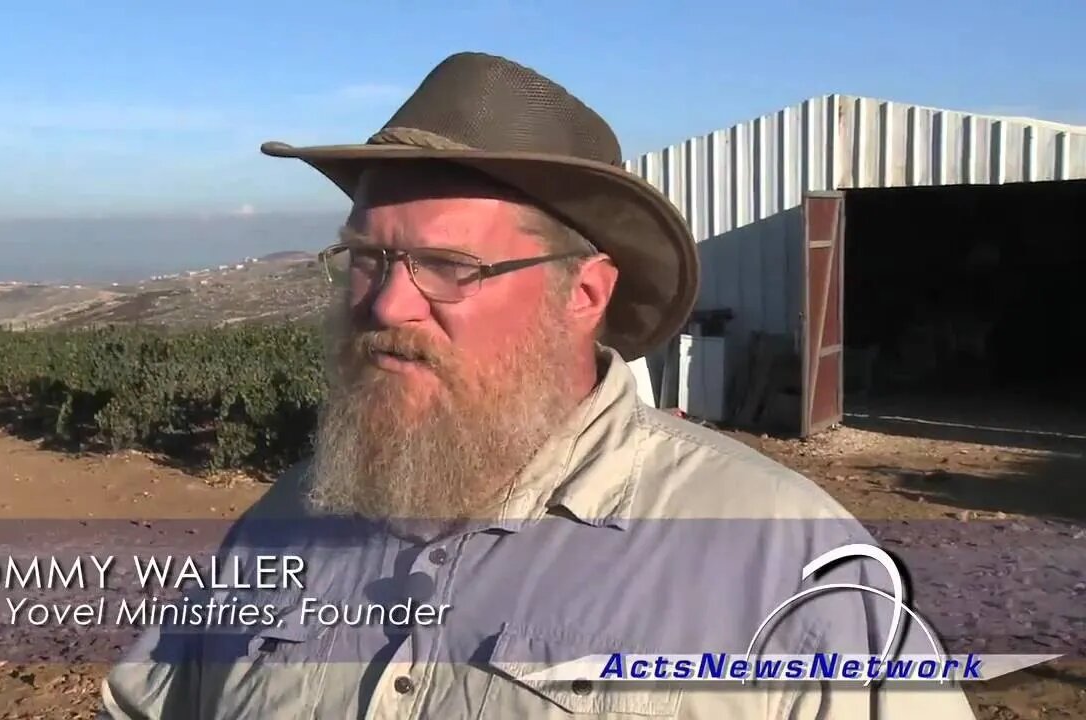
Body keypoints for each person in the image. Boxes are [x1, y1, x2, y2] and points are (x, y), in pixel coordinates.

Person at [98, 52, 977, 719]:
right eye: (367, 257)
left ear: (584, 295)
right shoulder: (285, 521)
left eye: (450, 266)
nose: (389, 302)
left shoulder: (780, 559)